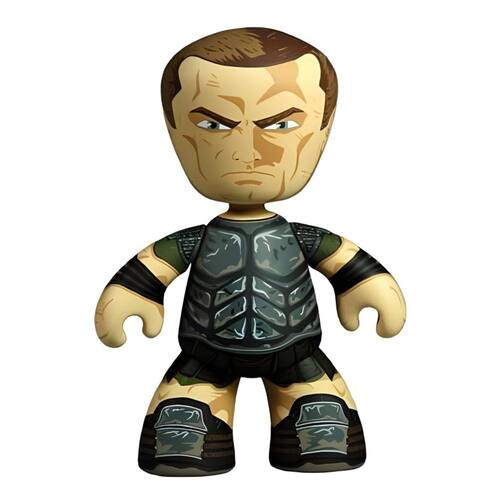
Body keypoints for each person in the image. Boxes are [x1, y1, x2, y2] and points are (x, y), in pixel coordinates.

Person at [94, 27, 406, 476]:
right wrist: (133, 293)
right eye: (213, 124)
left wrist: (365, 284)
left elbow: (343, 260)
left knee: (322, 427)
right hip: (205, 353)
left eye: (279, 124)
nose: (248, 151)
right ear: (175, 131)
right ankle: (196, 432)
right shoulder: (196, 240)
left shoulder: (301, 237)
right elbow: (152, 268)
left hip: (297, 351)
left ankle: (310, 430)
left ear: (323, 128)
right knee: (181, 431)